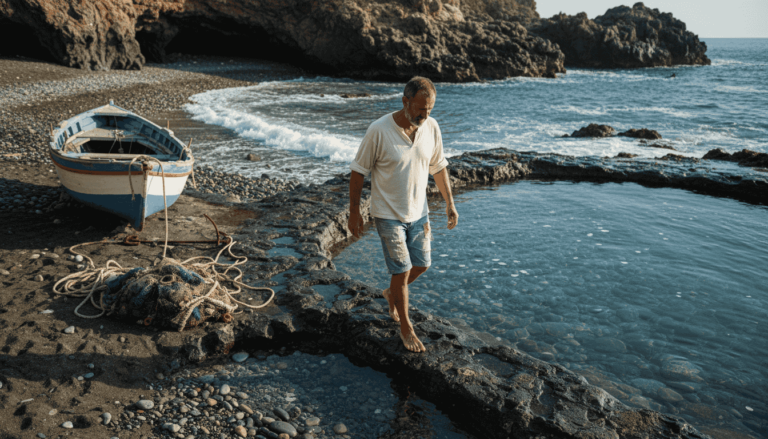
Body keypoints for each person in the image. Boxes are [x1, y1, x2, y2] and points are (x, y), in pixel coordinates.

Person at [348, 76, 459, 353]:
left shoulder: (431, 127)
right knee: (402, 269)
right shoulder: (379, 130)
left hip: (418, 212)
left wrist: (450, 203)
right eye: (420, 108)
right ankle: (406, 327)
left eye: (429, 109)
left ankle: (391, 293)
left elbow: (439, 167)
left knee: (422, 264)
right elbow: (358, 172)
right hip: (387, 214)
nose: (425, 114)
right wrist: (354, 213)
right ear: (405, 101)